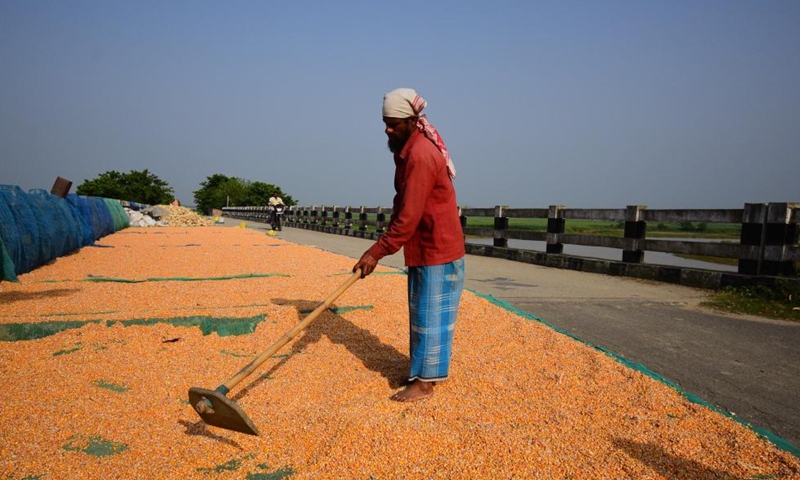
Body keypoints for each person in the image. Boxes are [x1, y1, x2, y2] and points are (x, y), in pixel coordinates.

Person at [353, 88, 466, 403]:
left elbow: (409, 217)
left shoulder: (419, 155)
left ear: (414, 121)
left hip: (438, 248)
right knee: (420, 312)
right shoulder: (405, 150)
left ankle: (425, 383)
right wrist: (383, 244)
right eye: (385, 123)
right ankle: (419, 371)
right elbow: (401, 202)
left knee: (432, 318)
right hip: (423, 247)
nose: (388, 130)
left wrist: (376, 252)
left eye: (394, 124)